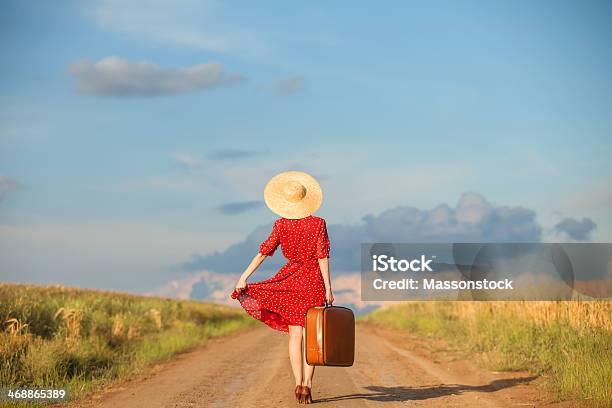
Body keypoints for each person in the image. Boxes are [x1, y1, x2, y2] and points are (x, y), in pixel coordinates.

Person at [231, 171, 333, 404]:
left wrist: (244, 276)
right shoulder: (318, 223)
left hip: (290, 280)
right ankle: (308, 384)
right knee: (311, 338)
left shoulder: (280, 225)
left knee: (295, 336)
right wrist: (328, 288)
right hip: (313, 282)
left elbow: (264, 252)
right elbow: (322, 257)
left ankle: (298, 383)